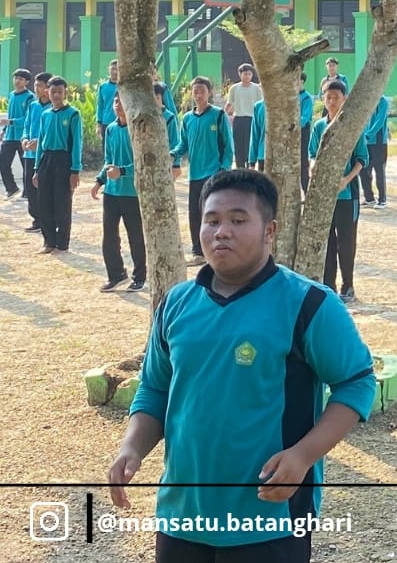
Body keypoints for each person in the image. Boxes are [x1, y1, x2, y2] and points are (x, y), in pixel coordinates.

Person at [108, 169, 377, 562]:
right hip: (183, 515)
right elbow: (155, 388)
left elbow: (357, 383)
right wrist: (132, 447)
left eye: (238, 220)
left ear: (270, 231)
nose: (221, 232)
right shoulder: (176, 304)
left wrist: (303, 456)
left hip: (270, 517)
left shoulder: (309, 304)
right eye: (212, 220)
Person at [309, 80, 368, 302]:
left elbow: (362, 159)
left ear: (344, 99)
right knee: (328, 242)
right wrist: (313, 165)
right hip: (324, 196)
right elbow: (312, 153)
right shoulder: (318, 127)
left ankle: (348, 285)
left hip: (347, 195)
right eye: (328, 97)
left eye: (336, 97)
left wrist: (346, 179)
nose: (332, 101)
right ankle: (329, 285)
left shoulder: (352, 126)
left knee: (346, 241)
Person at [171, 76, 234, 266]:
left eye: (202, 91)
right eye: (195, 91)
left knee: (213, 213)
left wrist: (223, 169)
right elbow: (183, 144)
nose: (198, 95)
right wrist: (172, 154)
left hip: (213, 172)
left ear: (209, 93)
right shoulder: (188, 118)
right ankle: (198, 252)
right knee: (194, 212)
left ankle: (216, 248)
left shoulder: (218, 115)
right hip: (195, 173)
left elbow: (228, 146)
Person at [91, 94, 146, 293]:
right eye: (116, 102)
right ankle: (116, 274)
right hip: (112, 194)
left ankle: (139, 277)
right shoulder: (111, 129)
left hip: (132, 193)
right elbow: (108, 159)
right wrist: (99, 180)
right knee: (109, 236)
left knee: (135, 236)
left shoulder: (137, 129)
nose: (119, 106)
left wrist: (122, 171)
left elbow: (143, 161)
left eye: (123, 102)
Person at [33, 76, 82, 255]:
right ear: (48, 91)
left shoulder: (73, 114)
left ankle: (62, 242)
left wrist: (75, 170)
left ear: (65, 93)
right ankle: (49, 241)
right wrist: (37, 169)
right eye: (53, 91)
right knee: (44, 200)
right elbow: (40, 143)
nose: (56, 95)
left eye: (59, 92)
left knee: (62, 202)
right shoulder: (45, 114)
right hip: (47, 159)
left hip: (64, 160)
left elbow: (77, 143)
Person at [20, 71, 51, 232]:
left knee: (43, 187)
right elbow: (26, 125)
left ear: (48, 88)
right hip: (29, 154)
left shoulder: (53, 107)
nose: (36, 89)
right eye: (36, 85)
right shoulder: (33, 105)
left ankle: (46, 220)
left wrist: (40, 143)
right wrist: (25, 139)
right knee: (30, 187)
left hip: (45, 154)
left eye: (39, 86)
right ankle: (36, 220)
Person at [1, 68, 33, 199]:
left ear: (27, 82)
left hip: (23, 136)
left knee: (25, 164)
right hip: (10, 135)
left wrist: (11, 122)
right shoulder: (11, 95)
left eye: (20, 79)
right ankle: (11, 188)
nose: (17, 81)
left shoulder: (30, 97)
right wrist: (4, 130)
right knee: (3, 162)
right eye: (15, 78)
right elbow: (10, 114)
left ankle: (28, 191)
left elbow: (28, 118)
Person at [226, 64, 263, 170]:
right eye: (245, 73)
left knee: (250, 144)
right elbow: (229, 103)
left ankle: (250, 166)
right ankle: (240, 167)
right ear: (239, 74)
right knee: (238, 145)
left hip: (252, 120)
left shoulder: (256, 88)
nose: (247, 76)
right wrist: (223, 116)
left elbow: (260, 105)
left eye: (249, 74)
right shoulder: (234, 88)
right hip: (238, 118)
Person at [359, 92, 390, 208]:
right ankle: (369, 198)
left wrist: (368, 135)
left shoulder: (382, 102)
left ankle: (382, 199)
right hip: (366, 141)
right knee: (363, 169)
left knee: (379, 170)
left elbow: (380, 121)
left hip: (378, 141)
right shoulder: (365, 101)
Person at [96, 59, 120, 139]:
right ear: (109, 70)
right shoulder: (103, 87)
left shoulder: (124, 87)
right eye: (113, 69)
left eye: (117, 69)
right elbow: (100, 105)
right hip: (106, 122)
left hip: (121, 122)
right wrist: (98, 125)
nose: (115, 72)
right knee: (106, 148)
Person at [299, 74, 314, 193]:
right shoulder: (289, 96)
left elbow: (305, 118)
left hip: (302, 132)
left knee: (303, 163)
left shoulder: (306, 98)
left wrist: (292, 125)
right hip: (289, 133)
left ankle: (306, 191)